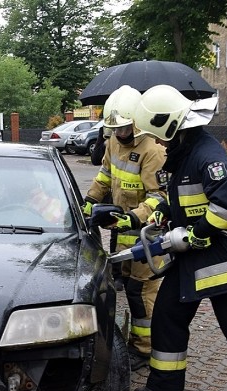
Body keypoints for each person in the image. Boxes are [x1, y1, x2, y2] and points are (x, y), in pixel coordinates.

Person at [127, 84, 227, 391]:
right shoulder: (182, 152)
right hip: (188, 259)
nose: (158, 142)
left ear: (170, 125)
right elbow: (179, 197)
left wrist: (197, 233)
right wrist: (164, 212)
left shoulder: (207, 155)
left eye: (159, 135)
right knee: (167, 317)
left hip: (219, 260)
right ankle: (166, 382)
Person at [83, 85, 167, 371]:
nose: (120, 134)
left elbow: (159, 196)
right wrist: (89, 201)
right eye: (115, 129)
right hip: (123, 235)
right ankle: (138, 343)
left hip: (148, 236)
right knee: (129, 290)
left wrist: (136, 216)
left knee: (142, 292)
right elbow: (105, 175)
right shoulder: (113, 143)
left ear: (137, 123)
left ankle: (145, 349)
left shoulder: (152, 151)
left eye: (124, 128)